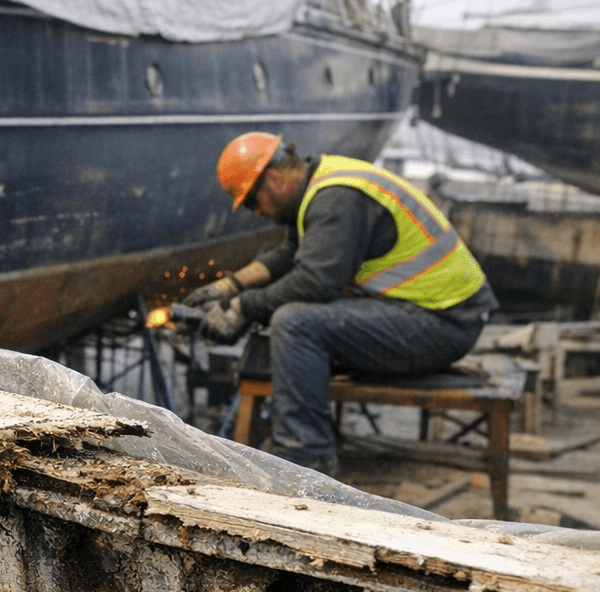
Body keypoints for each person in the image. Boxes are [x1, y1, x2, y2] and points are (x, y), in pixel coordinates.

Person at [184, 132, 498, 475]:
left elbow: (315, 282)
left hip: (443, 323)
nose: (257, 213)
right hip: (432, 313)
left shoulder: (336, 199)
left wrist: (243, 308)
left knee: (295, 323)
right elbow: (290, 255)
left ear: (273, 179)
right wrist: (230, 287)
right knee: (291, 318)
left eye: (251, 202)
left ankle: (306, 458)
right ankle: (305, 438)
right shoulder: (322, 183)